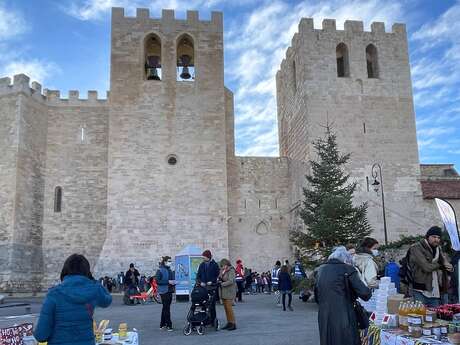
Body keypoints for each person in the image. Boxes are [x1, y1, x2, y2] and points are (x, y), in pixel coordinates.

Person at [34, 254, 112, 345]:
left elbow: (41, 336)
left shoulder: (53, 294)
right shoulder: (93, 290)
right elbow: (107, 300)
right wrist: (94, 281)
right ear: (87, 272)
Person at [315, 246, 372, 345]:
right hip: (345, 316)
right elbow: (365, 293)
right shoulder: (348, 269)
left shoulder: (320, 271)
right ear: (345, 259)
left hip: (324, 316)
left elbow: (317, 297)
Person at [408, 226, 453, 307]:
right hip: (420, 290)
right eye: (434, 237)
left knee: (434, 316)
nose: (436, 239)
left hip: (435, 290)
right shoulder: (416, 248)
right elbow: (426, 267)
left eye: (438, 237)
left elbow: (445, 263)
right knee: (420, 316)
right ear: (428, 236)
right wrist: (441, 264)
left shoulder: (438, 248)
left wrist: (449, 267)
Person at [196, 250, 220, 322]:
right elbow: (198, 276)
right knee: (203, 304)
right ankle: (204, 319)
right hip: (203, 288)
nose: (203, 259)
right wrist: (200, 282)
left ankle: (213, 320)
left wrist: (212, 281)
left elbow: (217, 276)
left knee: (212, 306)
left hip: (212, 287)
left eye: (204, 257)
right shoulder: (202, 265)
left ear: (208, 257)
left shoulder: (214, 265)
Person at [156, 256, 176, 331]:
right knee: (166, 308)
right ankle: (169, 325)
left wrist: (174, 282)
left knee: (165, 307)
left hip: (169, 290)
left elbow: (171, 280)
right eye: (169, 261)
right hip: (163, 291)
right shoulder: (160, 270)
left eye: (170, 261)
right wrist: (168, 282)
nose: (170, 262)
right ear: (165, 262)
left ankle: (162, 324)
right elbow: (158, 281)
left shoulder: (170, 270)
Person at [218, 258, 237, 331]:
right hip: (224, 291)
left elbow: (231, 281)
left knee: (229, 308)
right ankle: (229, 322)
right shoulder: (223, 271)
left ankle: (233, 323)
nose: (222, 267)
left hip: (229, 291)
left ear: (226, 264)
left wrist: (222, 284)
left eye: (223, 266)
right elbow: (220, 277)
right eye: (221, 266)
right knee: (226, 308)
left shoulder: (231, 270)